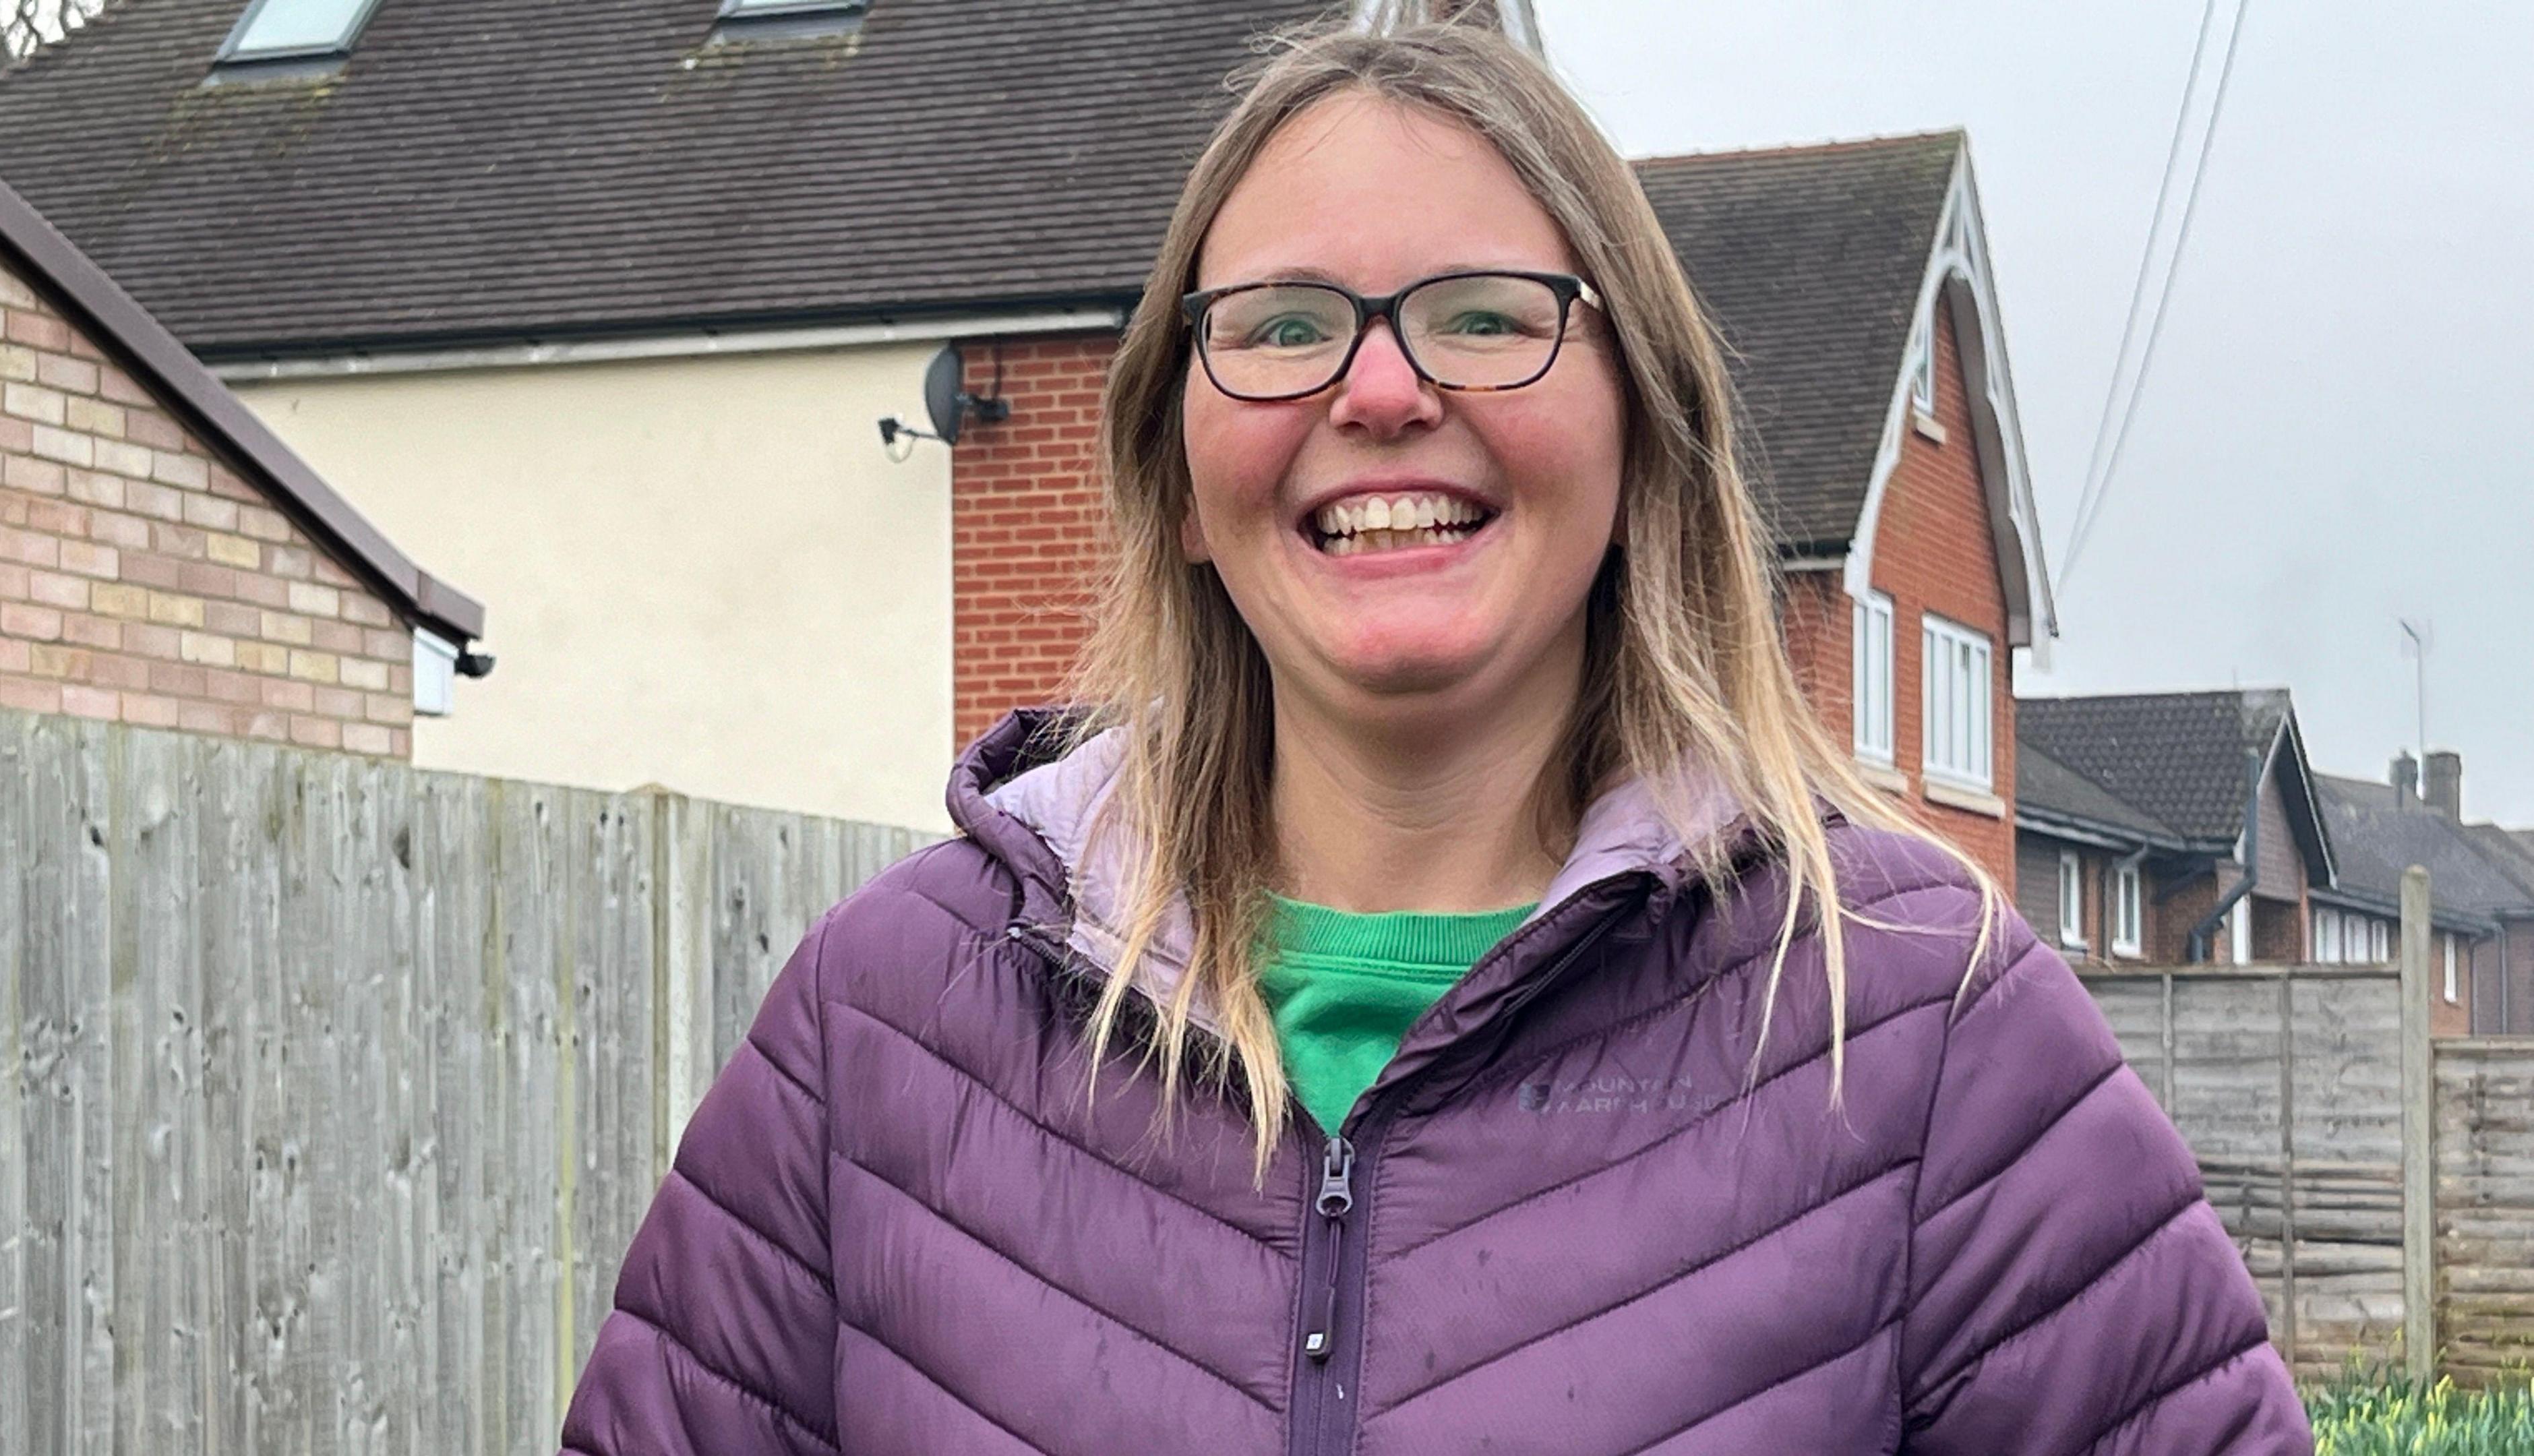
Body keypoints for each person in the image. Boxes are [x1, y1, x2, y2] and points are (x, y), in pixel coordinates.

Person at [562, 13, 2312, 1455]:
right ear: (1178, 469)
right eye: (1282, 328)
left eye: (1487, 314)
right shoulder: (884, 1029)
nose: (1383, 391)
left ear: (1637, 435)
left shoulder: (1923, 1032)